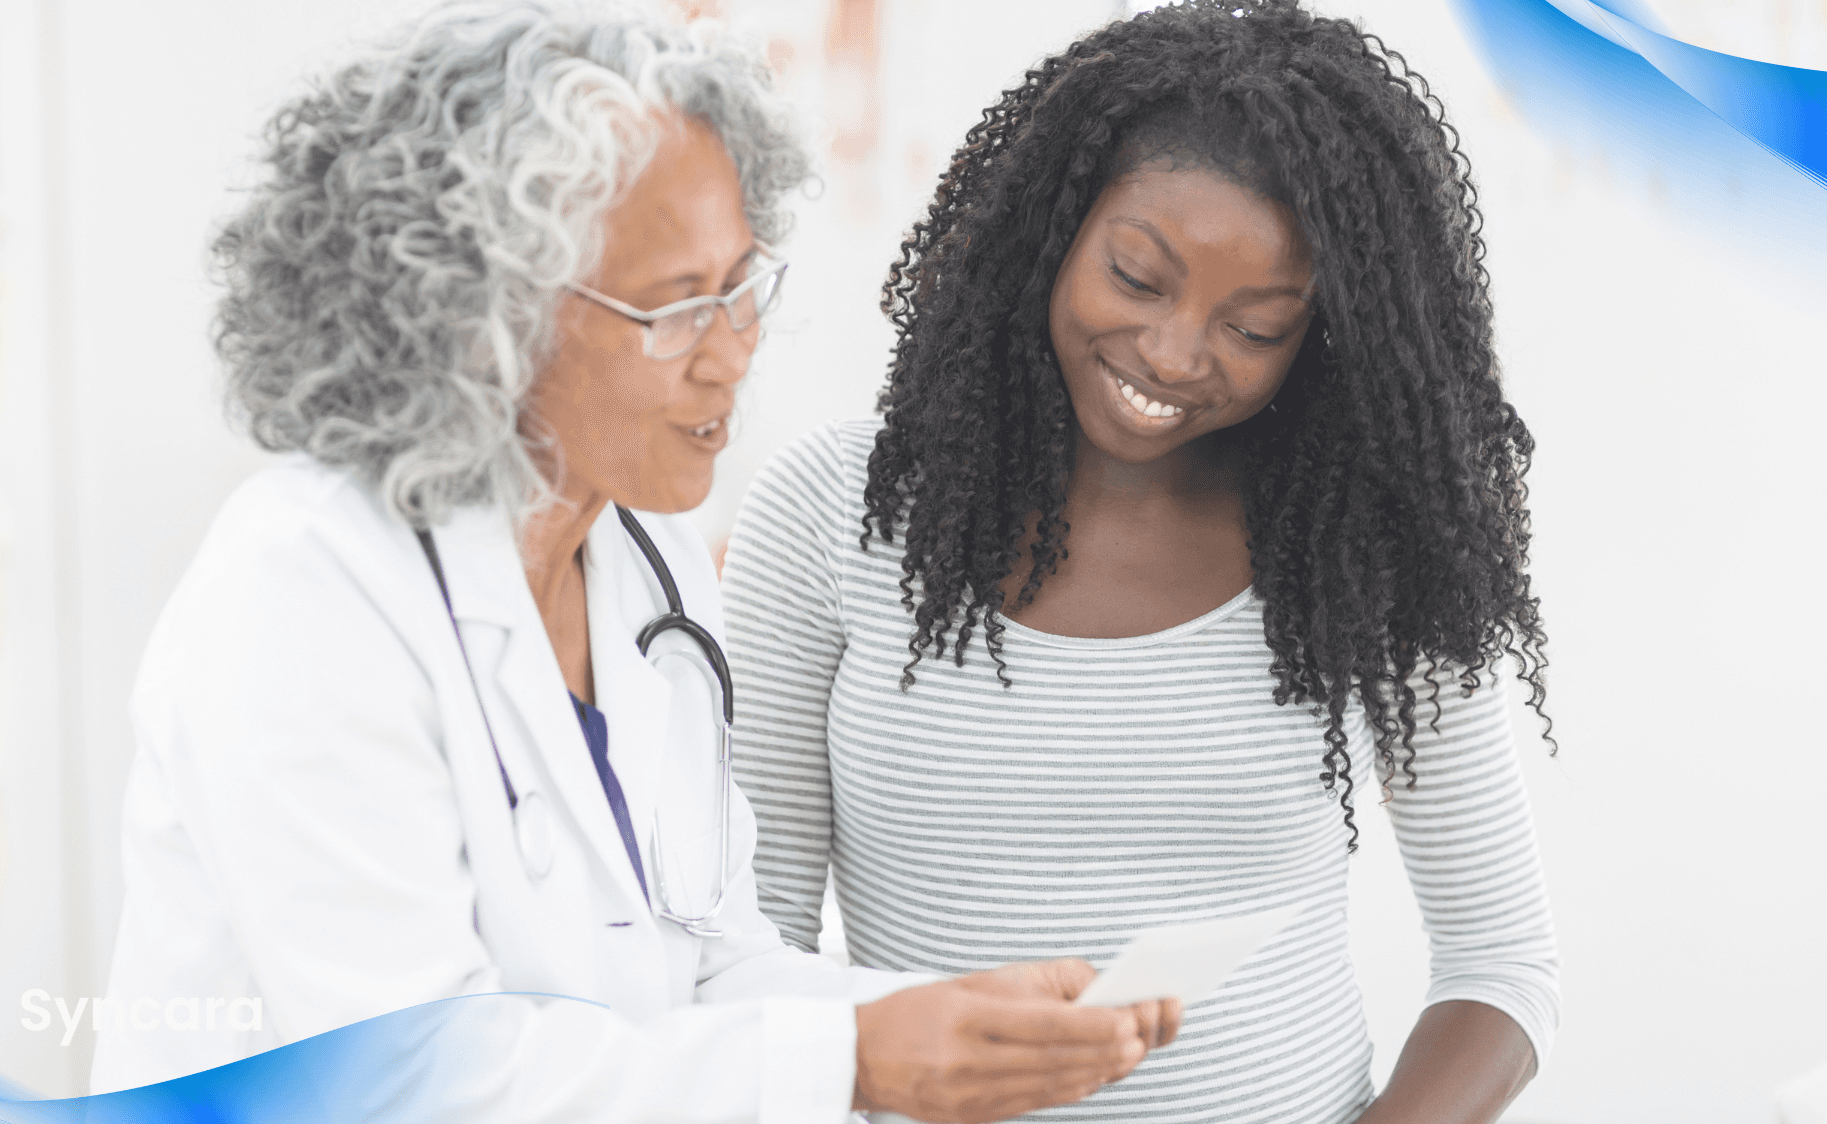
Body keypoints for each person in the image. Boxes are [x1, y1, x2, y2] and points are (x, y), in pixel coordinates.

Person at [90, 3, 1178, 1120]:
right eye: (674, 310)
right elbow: (403, 1080)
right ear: (480, 319)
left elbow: (706, 967)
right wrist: (855, 1057)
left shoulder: (647, 562)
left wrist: (949, 1020)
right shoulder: (304, 587)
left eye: (742, 285)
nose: (733, 356)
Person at [723, 2, 1558, 1122]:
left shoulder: (1363, 542)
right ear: (1048, 232)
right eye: (1134, 275)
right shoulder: (833, 514)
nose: (1172, 354)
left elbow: (1496, 963)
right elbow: (750, 949)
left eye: (1254, 327)